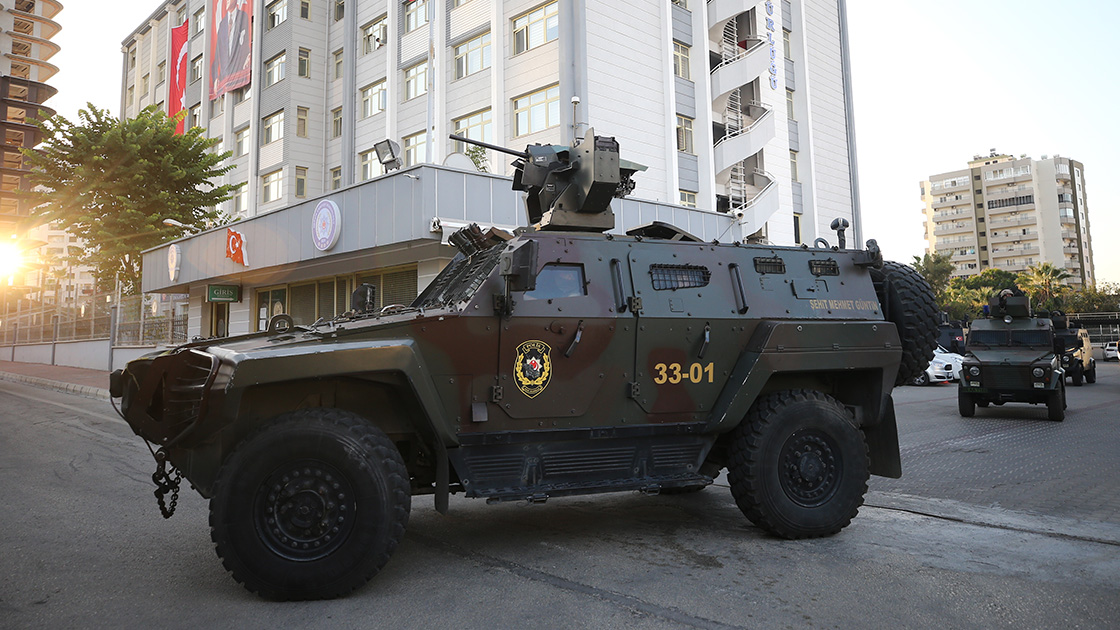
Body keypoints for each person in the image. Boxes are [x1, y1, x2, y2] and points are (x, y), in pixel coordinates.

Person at [210, 0, 251, 97]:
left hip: (240, 69)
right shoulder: (222, 24)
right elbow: (217, 52)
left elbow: (247, 40)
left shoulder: (243, 16)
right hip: (225, 75)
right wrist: (216, 77)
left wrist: (249, 55)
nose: (226, 2)